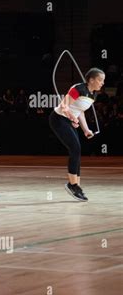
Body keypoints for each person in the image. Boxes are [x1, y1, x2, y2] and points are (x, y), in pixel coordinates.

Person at [49, 68, 105, 201]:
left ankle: (76, 186)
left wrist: (86, 129)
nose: (102, 83)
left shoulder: (92, 95)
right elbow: (64, 105)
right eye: (100, 80)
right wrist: (71, 117)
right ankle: (72, 185)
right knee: (75, 149)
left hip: (68, 121)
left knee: (77, 151)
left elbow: (80, 111)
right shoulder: (78, 88)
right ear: (91, 80)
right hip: (58, 119)